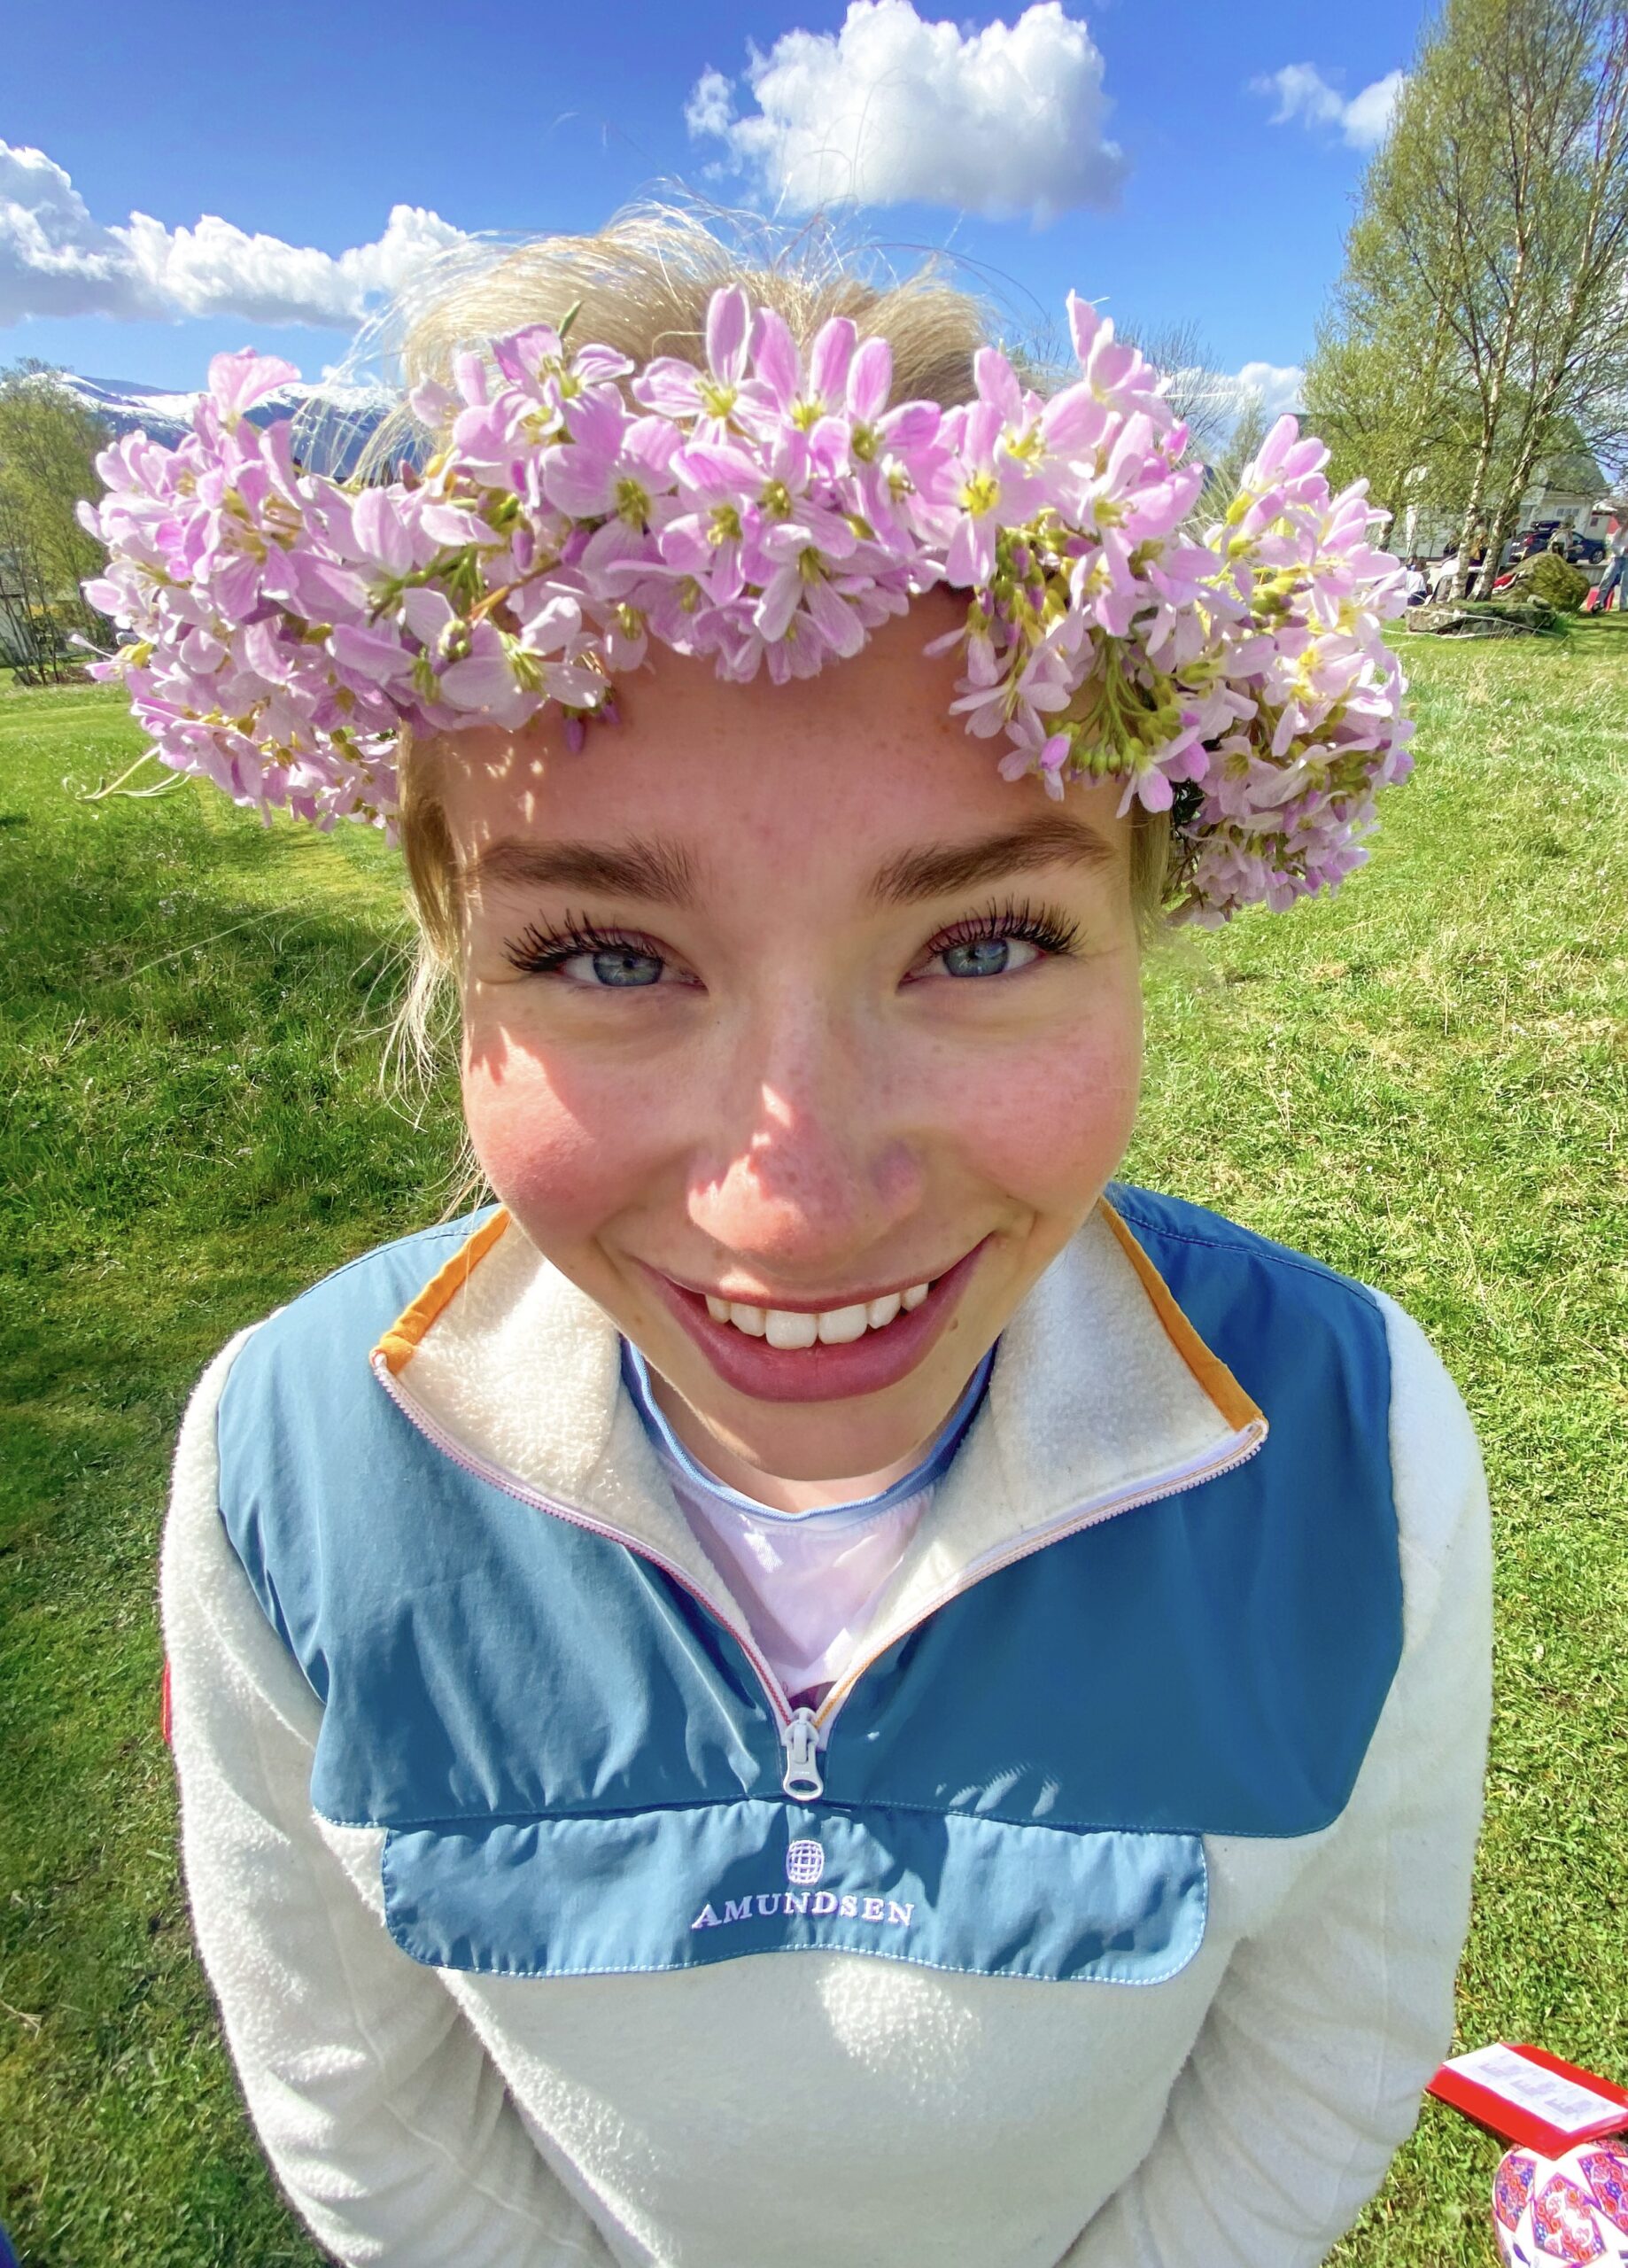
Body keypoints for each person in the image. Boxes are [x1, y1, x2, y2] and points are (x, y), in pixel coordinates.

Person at [90, 217, 1491, 2268]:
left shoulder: (1355, 1449)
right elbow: (360, 2100)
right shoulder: (287, 1469)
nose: (793, 1193)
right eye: (606, 953)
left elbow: (1327, 2048)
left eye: (980, 939)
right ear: (446, 956)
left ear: (1142, 933)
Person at [1597, 511, 1628, 612]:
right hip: (1617, 558)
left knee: (1625, 582)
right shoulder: (1621, 532)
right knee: (1608, 578)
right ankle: (1599, 602)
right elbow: (1613, 545)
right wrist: (1624, 549)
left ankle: (1623, 605)